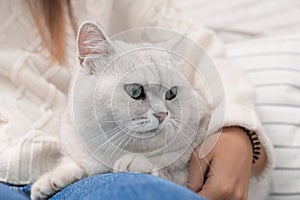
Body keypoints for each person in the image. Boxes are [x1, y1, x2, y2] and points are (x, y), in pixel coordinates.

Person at [0, 0, 274, 199]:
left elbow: (196, 45)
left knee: (141, 193)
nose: (160, 111)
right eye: (136, 93)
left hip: (91, 179)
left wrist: (235, 127)